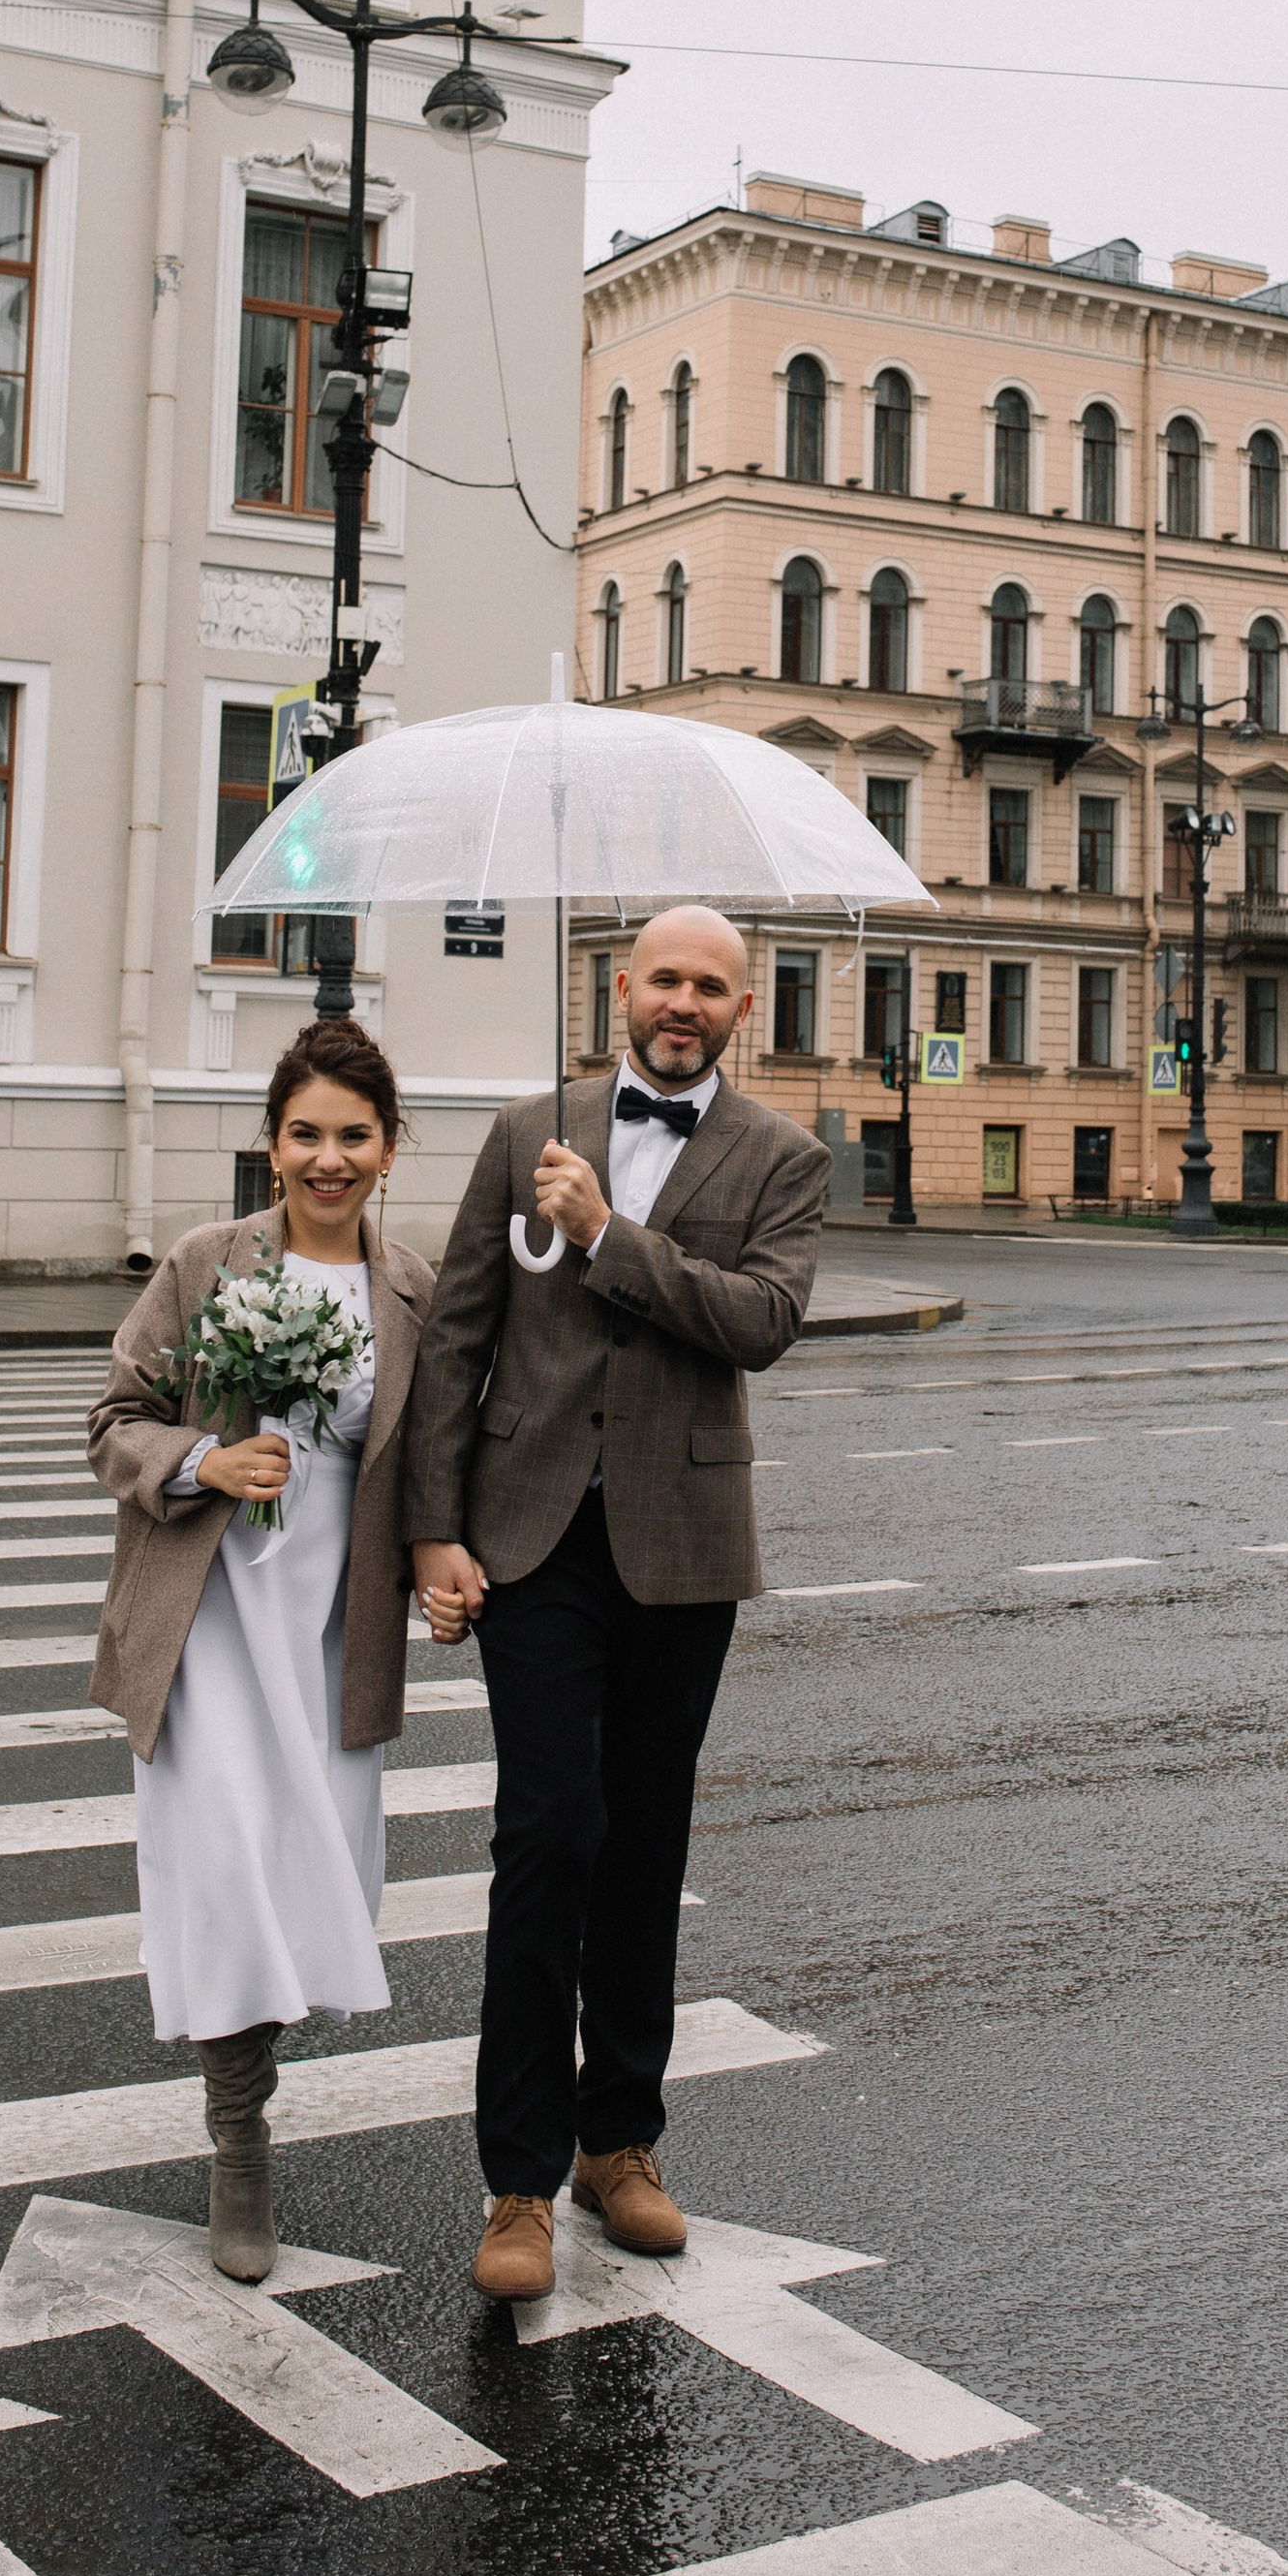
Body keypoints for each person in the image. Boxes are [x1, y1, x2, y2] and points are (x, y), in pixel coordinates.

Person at [404, 903, 830, 2304]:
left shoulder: (784, 1157)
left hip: (681, 1544)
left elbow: (759, 1323)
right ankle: (516, 2179)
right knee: (549, 1834)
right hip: (532, 1545)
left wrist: (605, 1233)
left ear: (739, 1010)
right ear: (622, 987)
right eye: (665, 978)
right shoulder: (529, 1126)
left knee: (646, 1842)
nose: (684, 1003)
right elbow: (459, 1330)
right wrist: (432, 1531)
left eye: (712, 986)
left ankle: (622, 2142)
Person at [87, 1015, 432, 2282]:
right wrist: (199, 1460)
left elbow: (435, 1456)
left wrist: (449, 1561)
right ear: (271, 1143)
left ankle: (255, 2076)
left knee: (302, 1885)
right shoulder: (202, 1262)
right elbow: (112, 1419)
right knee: (226, 1878)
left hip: (333, 1636)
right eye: (306, 1134)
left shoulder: (412, 1291)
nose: (327, 1159)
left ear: (388, 1148)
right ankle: (241, 2154)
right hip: (212, 1624)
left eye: (352, 1136)